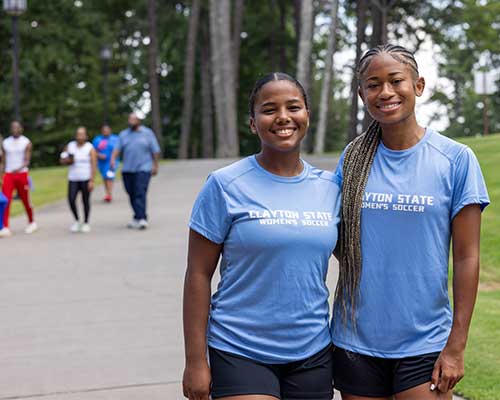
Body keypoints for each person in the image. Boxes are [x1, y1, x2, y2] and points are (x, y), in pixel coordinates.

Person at [331, 44, 490, 400]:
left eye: (395, 81)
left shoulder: (455, 160)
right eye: (373, 84)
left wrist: (456, 345)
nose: (385, 92)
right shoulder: (353, 159)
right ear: (361, 94)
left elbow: (467, 257)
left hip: (425, 341)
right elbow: (336, 237)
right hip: (356, 339)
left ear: (418, 86)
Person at [182, 73, 341, 400]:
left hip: (312, 349)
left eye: (293, 107)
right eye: (269, 109)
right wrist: (195, 361)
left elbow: (358, 263)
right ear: (253, 123)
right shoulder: (225, 185)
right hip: (239, 347)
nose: (283, 117)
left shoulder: (331, 188)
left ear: (307, 115)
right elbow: (198, 275)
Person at [111, 113, 160, 230]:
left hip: (144, 168)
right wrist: (113, 159)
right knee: (131, 193)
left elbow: (155, 150)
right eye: (129, 119)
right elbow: (117, 149)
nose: (131, 121)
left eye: (133, 119)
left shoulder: (147, 133)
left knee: (140, 192)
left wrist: (155, 165)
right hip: (128, 169)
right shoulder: (124, 134)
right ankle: (137, 216)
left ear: (139, 121)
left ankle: (142, 218)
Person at [0, 121, 38, 236]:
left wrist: (18, 168)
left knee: (25, 199)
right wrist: (2, 171)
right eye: (13, 128)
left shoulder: (26, 142)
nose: (15, 129)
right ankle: (5, 226)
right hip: (9, 174)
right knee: (6, 200)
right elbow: (4, 160)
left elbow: (27, 160)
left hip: (21, 174)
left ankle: (31, 222)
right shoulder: (6, 142)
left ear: (21, 128)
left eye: (17, 127)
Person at [60, 126, 97, 233]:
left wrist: (92, 180)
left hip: (85, 178)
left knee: (85, 201)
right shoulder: (70, 146)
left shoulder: (90, 148)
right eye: (78, 134)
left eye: (82, 134)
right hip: (73, 178)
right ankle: (76, 220)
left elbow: (94, 164)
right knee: (71, 199)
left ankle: (86, 222)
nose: (80, 136)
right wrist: (67, 160)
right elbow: (62, 159)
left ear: (86, 136)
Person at [92, 124, 120, 202]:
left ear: (110, 130)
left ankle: (109, 194)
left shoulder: (115, 139)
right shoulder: (98, 139)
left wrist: (113, 158)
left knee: (109, 176)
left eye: (107, 130)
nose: (105, 132)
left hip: (112, 161)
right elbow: (93, 151)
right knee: (105, 177)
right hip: (101, 162)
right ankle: (108, 193)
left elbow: (119, 149)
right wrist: (98, 155)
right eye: (104, 130)